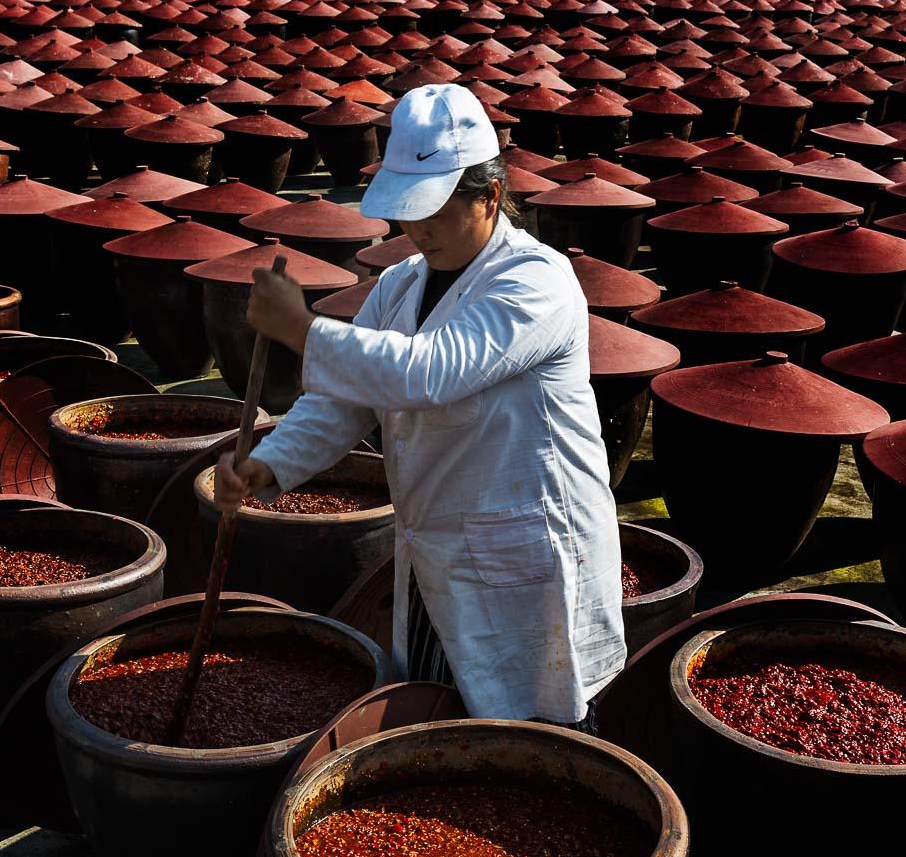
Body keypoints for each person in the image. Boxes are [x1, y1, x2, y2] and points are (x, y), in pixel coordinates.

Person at [215, 83, 625, 731]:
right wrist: (270, 463)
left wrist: (301, 329)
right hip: (439, 548)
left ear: (489, 195)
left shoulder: (535, 280)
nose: (418, 229)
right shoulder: (401, 284)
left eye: (436, 211)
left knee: (540, 733)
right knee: (441, 722)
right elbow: (346, 397)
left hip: (527, 556)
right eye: (410, 212)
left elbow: (430, 371)